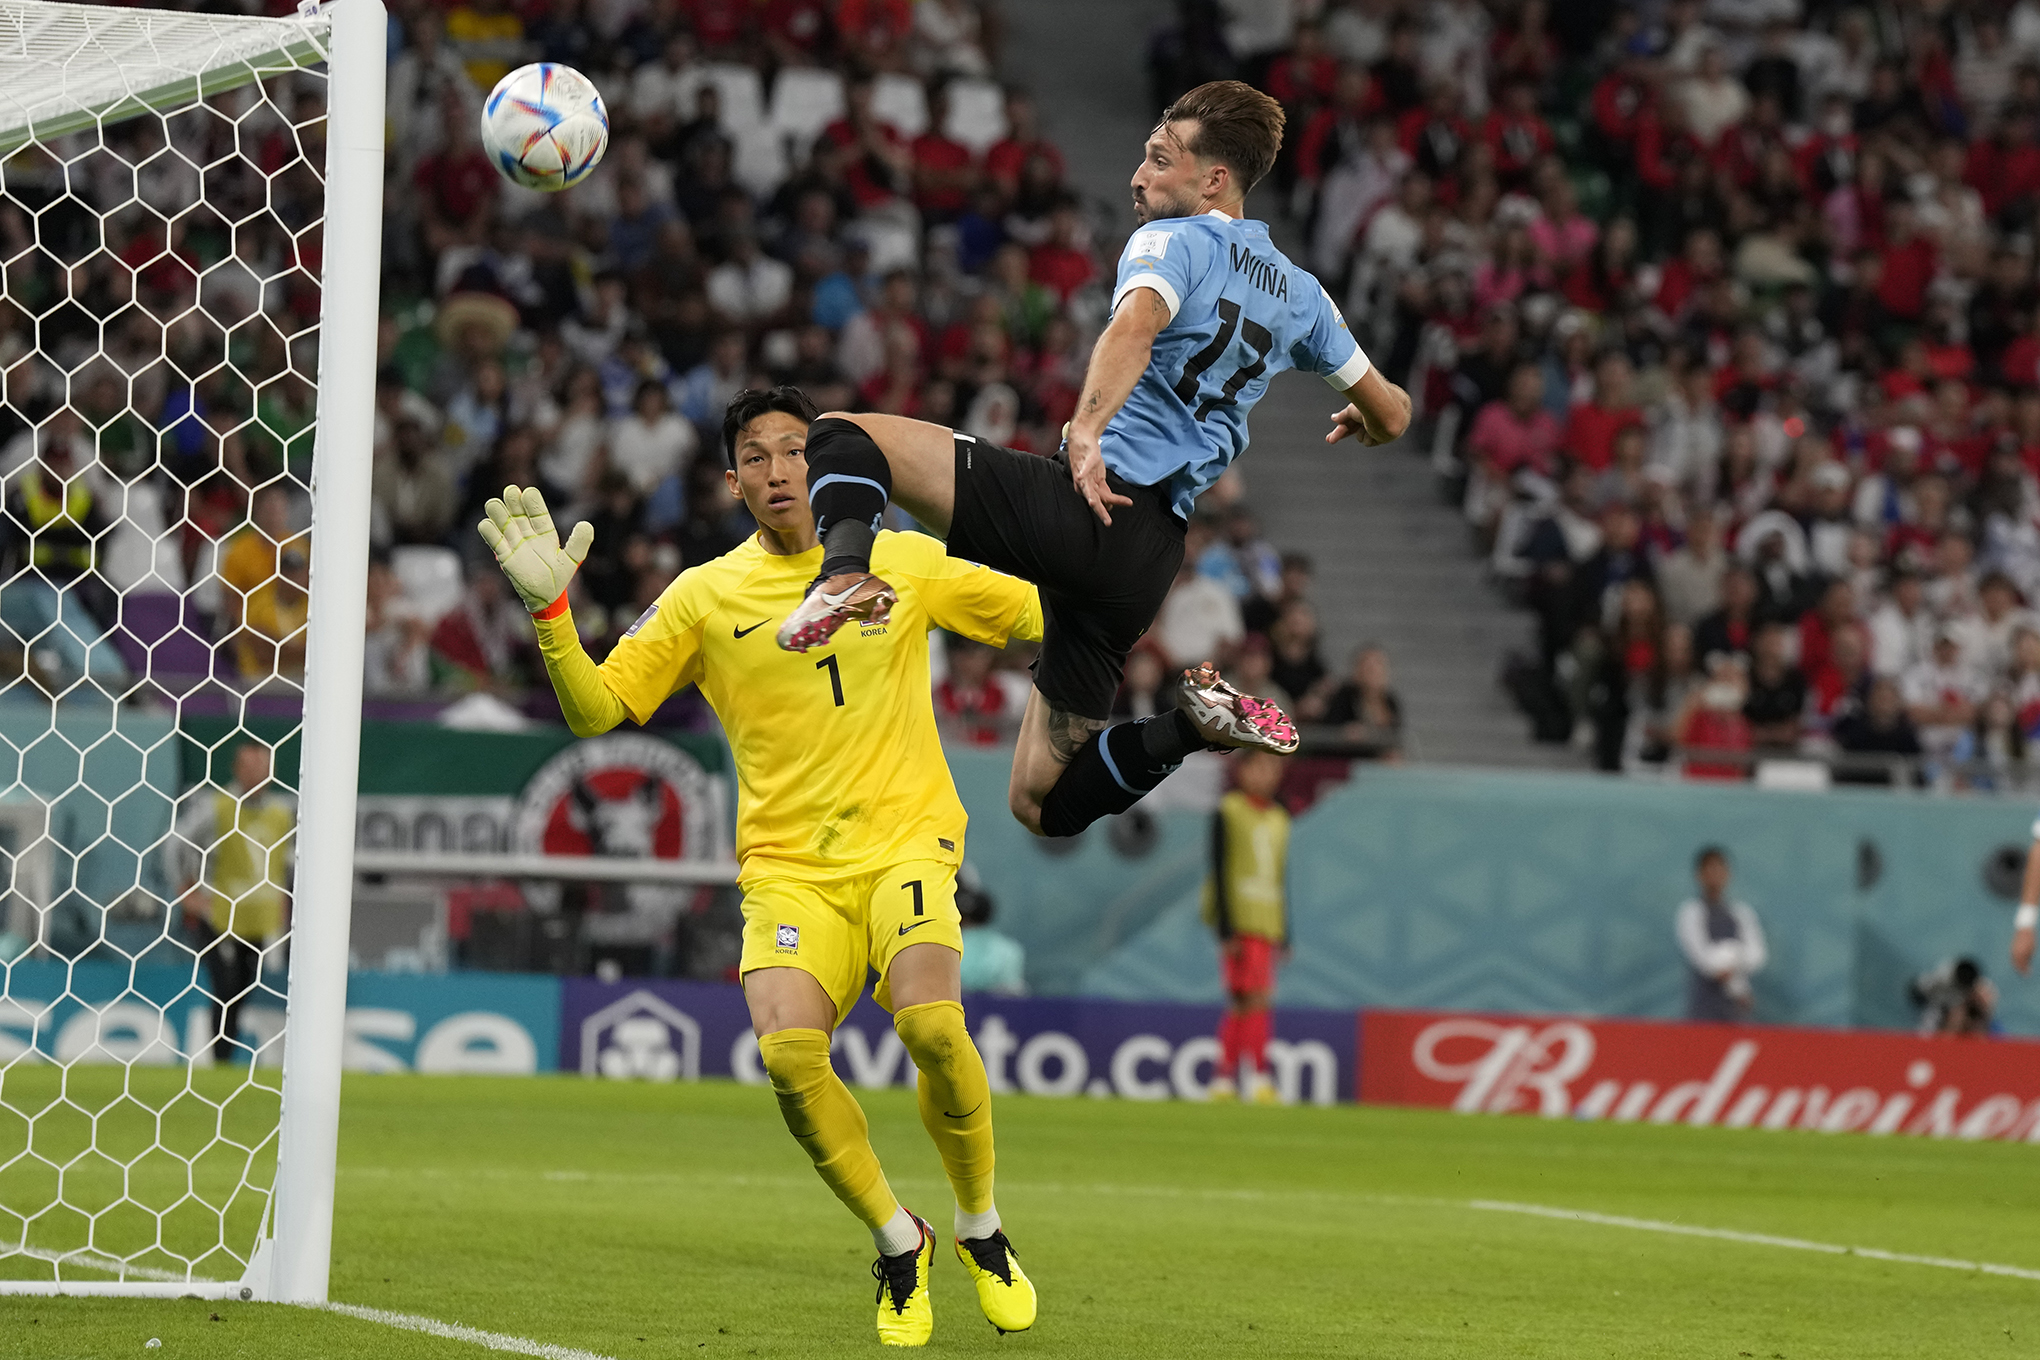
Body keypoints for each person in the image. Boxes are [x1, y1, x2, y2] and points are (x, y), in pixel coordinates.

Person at [477, 387, 1041, 1347]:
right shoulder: (705, 596)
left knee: (934, 1026)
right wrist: (551, 614)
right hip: (787, 868)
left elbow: (1038, 616)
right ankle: (899, 1241)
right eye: (758, 455)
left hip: (906, 840)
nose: (780, 469)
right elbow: (597, 711)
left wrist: (1096, 574)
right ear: (732, 480)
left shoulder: (902, 560)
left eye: (795, 450)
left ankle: (980, 1224)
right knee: (787, 1054)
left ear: (826, 466)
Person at [777, 80, 1411, 847]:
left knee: (844, 433)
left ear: (1214, 179)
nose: (1139, 176)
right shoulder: (1304, 295)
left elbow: (1134, 329)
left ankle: (842, 575)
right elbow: (1394, 410)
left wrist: (1085, 429)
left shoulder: (1173, 241)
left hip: (1091, 503)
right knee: (1040, 804)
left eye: (1159, 159)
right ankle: (1190, 727)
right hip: (1149, 558)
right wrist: (1368, 424)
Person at [171, 740, 294, 1064]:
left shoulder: (281, 812)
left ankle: (225, 1058)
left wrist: (284, 902)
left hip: (258, 917)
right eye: (251, 767)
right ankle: (220, 1059)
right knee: (224, 983)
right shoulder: (218, 806)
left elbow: (284, 864)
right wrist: (186, 891)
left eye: (264, 767)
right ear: (237, 770)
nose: (258, 774)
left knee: (242, 986)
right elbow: (177, 843)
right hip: (219, 913)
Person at [1201, 749, 1292, 1103]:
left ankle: (1223, 1081)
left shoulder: (1280, 818)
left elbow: (1281, 878)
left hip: (1267, 920)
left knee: (1242, 1002)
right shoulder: (1229, 811)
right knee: (1255, 1000)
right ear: (1243, 770)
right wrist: (1225, 928)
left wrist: (1286, 932)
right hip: (1240, 919)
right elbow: (1219, 868)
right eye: (1261, 767)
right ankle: (1257, 1078)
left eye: (1274, 768)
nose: (1268, 775)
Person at [1675, 845, 1767, 1022]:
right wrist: (1727, 968)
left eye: (1719, 869)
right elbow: (1702, 957)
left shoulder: (1741, 913)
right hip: (1703, 1004)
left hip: (1736, 1007)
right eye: (1709, 870)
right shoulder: (1691, 912)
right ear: (1699, 875)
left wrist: (1734, 972)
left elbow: (1756, 955)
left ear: (1728, 873)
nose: (1715, 875)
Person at [1908, 957, 1998, 1036]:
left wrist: (1980, 1007)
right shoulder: (1941, 979)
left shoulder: (1981, 988)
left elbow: (1987, 1013)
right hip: (1935, 1007)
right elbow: (1918, 990)